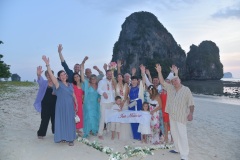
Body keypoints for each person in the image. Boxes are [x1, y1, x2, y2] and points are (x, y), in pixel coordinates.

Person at [156, 64, 194, 160]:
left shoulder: (186, 90)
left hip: (181, 117)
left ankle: (184, 155)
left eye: (176, 80)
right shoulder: (170, 88)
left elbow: (191, 103)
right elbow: (162, 82)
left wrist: (191, 113)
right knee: (174, 133)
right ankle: (177, 149)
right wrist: (159, 72)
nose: (174, 82)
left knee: (182, 135)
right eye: (173, 81)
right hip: (172, 116)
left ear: (179, 80)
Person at [42, 55, 77, 146]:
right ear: (59, 77)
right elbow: (51, 75)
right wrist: (48, 65)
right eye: (61, 75)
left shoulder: (70, 85)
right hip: (60, 105)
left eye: (64, 74)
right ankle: (62, 137)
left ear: (66, 75)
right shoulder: (58, 84)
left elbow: (73, 95)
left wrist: (76, 104)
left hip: (69, 105)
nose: (63, 75)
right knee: (61, 121)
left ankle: (70, 139)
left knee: (69, 121)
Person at [34, 66, 56, 139]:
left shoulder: (56, 84)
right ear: (46, 76)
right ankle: (41, 133)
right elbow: (39, 80)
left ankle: (56, 132)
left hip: (55, 105)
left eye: (51, 74)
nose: (49, 76)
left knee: (55, 119)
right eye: (48, 75)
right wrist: (38, 74)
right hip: (45, 105)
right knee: (44, 119)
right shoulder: (44, 82)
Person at [81, 63, 100, 138]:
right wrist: (82, 69)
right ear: (90, 79)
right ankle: (87, 131)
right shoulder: (87, 84)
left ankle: (94, 130)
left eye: (95, 78)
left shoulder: (98, 85)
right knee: (88, 116)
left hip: (95, 104)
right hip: (88, 103)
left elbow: (99, 94)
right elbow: (82, 78)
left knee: (95, 116)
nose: (93, 80)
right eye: (92, 79)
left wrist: (99, 97)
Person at [128, 65, 146, 140]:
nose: (134, 81)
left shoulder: (140, 87)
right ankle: (135, 136)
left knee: (139, 120)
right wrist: (133, 74)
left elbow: (144, 81)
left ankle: (140, 136)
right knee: (133, 120)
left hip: (138, 104)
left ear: (137, 81)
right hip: (132, 105)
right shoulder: (129, 88)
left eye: (135, 80)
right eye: (132, 80)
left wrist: (143, 72)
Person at [97, 69, 115, 140]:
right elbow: (98, 89)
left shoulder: (113, 82)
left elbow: (113, 92)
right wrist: (103, 93)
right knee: (103, 118)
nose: (110, 75)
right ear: (106, 74)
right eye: (109, 74)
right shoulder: (102, 81)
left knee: (110, 117)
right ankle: (100, 133)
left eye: (111, 74)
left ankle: (108, 131)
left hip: (111, 102)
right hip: (104, 102)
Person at [114, 73, 132, 141]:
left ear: (122, 78)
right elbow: (116, 95)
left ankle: (126, 134)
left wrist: (123, 103)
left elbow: (126, 95)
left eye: (120, 76)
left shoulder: (126, 85)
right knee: (119, 119)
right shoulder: (116, 85)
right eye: (118, 77)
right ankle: (118, 134)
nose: (119, 78)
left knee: (125, 118)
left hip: (124, 103)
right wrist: (118, 103)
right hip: (118, 103)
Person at [160, 78, 173, 144]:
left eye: (168, 82)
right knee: (165, 124)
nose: (167, 83)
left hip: (169, 111)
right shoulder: (161, 92)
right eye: (166, 82)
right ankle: (166, 138)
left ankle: (173, 139)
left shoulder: (171, 92)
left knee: (171, 125)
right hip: (163, 110)